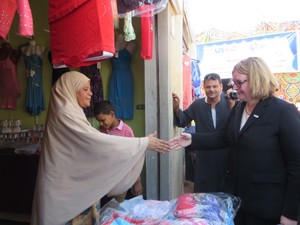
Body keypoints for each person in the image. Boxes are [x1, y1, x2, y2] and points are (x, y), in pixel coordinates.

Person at [169, 57, 300, 225]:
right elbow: (225, 137)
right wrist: (192, 139)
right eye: (234, 83)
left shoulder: (283, 111)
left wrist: (290, 213)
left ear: (257, 79)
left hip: (267, 205)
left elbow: (297, 164)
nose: (235, 88)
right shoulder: (239, 108)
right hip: (237, 201)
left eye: (239, 83)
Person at [30, 71, 170, 225]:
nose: (91, 93)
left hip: (69, 188)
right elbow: (95, 143)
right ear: (71, 90)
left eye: (90, 89)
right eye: (85, 89)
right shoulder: (65, 114)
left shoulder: (72, 112)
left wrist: (141, 143)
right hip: (63, 192)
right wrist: (142, 143)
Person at [172, 73, 235, 193]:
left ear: (221, 86)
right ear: (203, 87)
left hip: (225, 155)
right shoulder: (198, 105)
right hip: (205, 156)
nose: (211, 90)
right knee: (204, 193)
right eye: (208, 87)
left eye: (215, 86)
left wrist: (233, 105)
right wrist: (176, 108)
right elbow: (183, 121)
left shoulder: (229, 103)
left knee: (224, 191)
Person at [93, 100, 143, 205]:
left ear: (112, 114)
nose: (101, 124)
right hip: (107, 181)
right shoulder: (101, 130)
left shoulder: (126, 131)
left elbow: (134, 157)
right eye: (99, 121)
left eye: (103, 120)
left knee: (121, 208)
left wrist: (137, 182)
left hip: (123, 179)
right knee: (106, 209)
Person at [109, 32, 137, 120]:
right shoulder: (117, 39)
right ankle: (115, 116)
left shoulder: (132, 43)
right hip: (115, 75)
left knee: (126, 97)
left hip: (125, 76)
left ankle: (126, 114)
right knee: (114, 97)